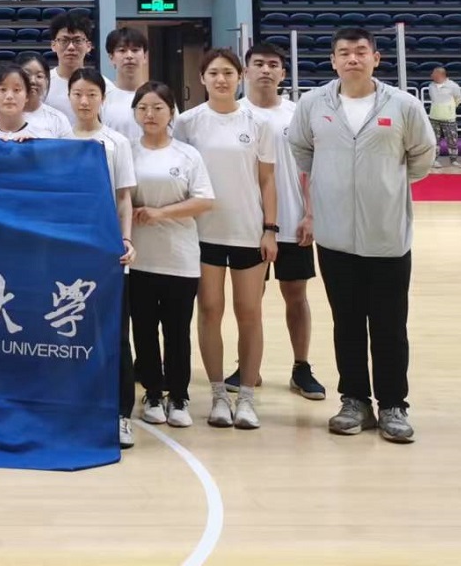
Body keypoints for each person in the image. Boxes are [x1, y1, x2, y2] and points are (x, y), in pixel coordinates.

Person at [290, 27, 436, 443]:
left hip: (387, 235)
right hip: (335, 236)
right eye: (344, 53)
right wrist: (332, 182)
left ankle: (393, 404)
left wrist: (386, 185)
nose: (352, 59)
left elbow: (423, 155)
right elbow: (301, 149)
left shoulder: (403, 105)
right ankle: (354, 400)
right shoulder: (313, 104)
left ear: (376, 58)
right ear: (333, 61)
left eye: (360, 52)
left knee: (390, 325)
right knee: (347, 322)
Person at [173, 49, 278, 431]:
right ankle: (218, 394)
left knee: (249, 312)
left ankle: (246, 396)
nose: (221, 79)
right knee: (210, 310)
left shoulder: (259, 123)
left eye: (228, 73)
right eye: (214, 73)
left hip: (248, 231)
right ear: (202, 78)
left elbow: (267, 179)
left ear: (240, 77)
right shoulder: (187, 123)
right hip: (203, 233)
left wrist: (270, 229)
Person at [239, 42, 326, 402]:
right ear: (246, 71)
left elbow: (312, 168)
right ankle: (248, 367)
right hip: (248, 225)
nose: (265, 70)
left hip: (292, 221)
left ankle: (301, 366)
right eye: (258, 63)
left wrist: (310, 214)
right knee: (249, 299)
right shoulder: (235, 113)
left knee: (296, 295)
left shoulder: (298, 114)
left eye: (273, 64)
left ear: (283, 73)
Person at [128, 82, 215, 429]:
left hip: (179, 257)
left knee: (177, 331)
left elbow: (205, 200)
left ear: (171, 113)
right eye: (143, 108)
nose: (150, 114)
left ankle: (178, 395)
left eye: (158, 108)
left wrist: (160, 213)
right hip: (138, 259)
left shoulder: (187, 155)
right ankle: (152, 392)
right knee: (144, 330)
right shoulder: (127, 151)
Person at [64, 68, 138, 450]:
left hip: (106, 249)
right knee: (70, 329)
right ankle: (76, 407)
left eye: (91, 94)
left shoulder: (116, 143)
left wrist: (125, 239)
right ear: (69, 97)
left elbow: (124, 198)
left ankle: (122, 414)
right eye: (78, 93)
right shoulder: (57, 141)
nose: (84, 100)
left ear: (102, 99)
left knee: (115, 333)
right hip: (69, 249)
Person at [43, 12, 97, 122]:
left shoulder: (102, 85)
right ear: (53, 45)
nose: (71, 47)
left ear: (88, 46)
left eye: (77, 41)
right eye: (64, 41)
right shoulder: (43, 84)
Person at [102, 28, 150, 143]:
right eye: (122, 50)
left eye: (135, 50)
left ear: (145, 57)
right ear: (111, 58)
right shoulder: (102, 98)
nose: (129, 56)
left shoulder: (160, 97)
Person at [18, 53, 74, 138]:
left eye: (39, 76)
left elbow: (69, 146)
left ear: (47, 81)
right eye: (27, 74)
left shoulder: (58, 119)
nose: (33, 81)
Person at [427, 66, 461, 169]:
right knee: (434, 140)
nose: (431, 75)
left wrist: (449, 109)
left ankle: (454, 160)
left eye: (434, 73)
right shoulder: (431, 86)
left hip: (449, 118)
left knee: (452, 140)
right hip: (434, 117)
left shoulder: (453, 86)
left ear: (440, 75)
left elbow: (458, 99)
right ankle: (434, 160)